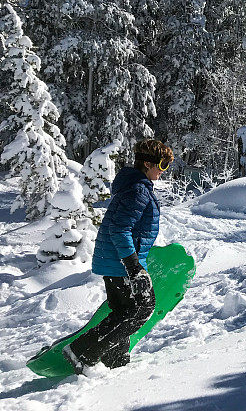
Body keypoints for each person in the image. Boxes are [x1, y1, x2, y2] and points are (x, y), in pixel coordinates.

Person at [62, 139, 174, 373]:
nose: (164, 170)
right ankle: (83, 352)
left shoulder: (136, 188)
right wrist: (133, 266)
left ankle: (115, 358)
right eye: (162, 164)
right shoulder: (138, 191)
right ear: (147, 163)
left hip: (115, 260)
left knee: (124, 311)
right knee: (141, 309)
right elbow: (119, 229)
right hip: (120, 263)